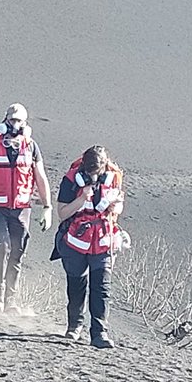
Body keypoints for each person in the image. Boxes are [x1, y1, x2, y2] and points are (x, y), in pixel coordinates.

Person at [0, 103, 52, 313]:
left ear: (24, 124)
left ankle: (11, 300)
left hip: (21, 208)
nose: (14, 124)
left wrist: (47, 206)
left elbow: (41, 178)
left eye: (18, 121)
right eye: (11, 120)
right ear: (5, 121)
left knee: (17, 252)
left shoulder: (32, 147)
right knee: (0, 247)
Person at [51, 145, 124, 348]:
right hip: (75, 241)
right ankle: (74, 327)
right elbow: (62, 213)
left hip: (103, 241)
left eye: (97, 172)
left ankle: (99, 333)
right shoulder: (71, 179)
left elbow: (120, 203)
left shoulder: (114, 176)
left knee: (101, 288)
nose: (93, 176)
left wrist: (113, 206)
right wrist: (82, 198)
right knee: (77, 285)